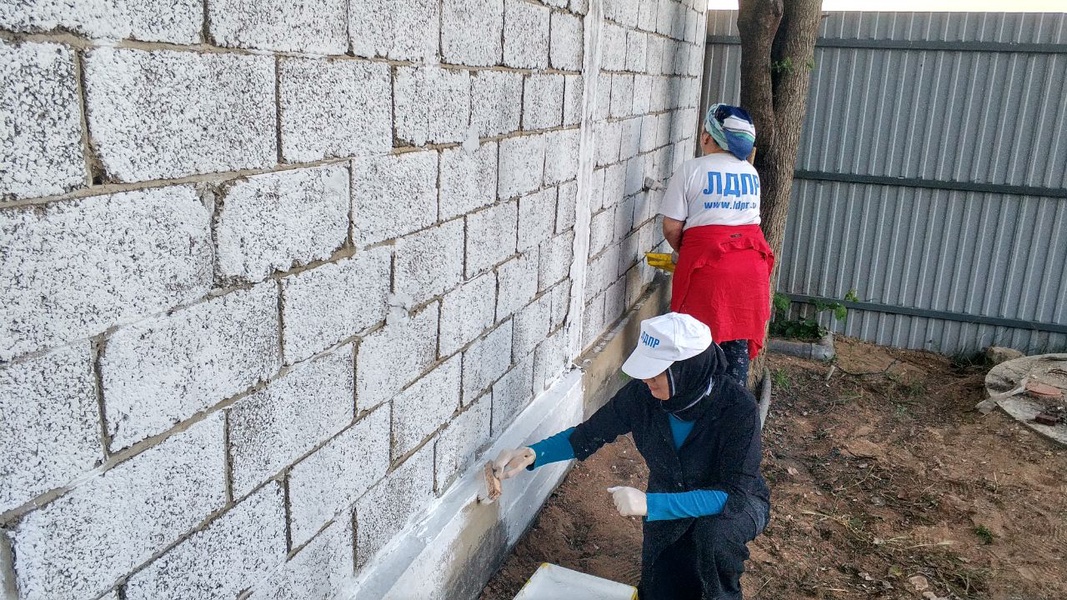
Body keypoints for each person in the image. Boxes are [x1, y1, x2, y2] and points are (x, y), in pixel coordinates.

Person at [493, 312, 770, 600]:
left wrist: (651, 504)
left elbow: (733, 495)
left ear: (685, 370)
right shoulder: (643, 395)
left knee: (713, 540)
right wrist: (532, 454)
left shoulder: (738, 409)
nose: (646, 379)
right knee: (661, 591)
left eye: (656, 371)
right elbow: (589, 434)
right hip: (668, 497)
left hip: (733, 504)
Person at [659, 103, 774, 386]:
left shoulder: (691, 170)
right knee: (735, 353)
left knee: (695, 347)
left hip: (709, 275)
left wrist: (689, 254)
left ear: (708, 136)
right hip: (750, 275)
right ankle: (730, 415)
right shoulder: (751, 173)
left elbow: (672, 227)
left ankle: (694, 413)